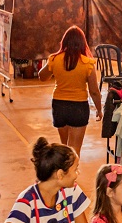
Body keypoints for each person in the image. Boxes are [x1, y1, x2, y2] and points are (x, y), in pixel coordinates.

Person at [38, 26, 101, 155]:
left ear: (64, 41)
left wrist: (54, 69)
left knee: (64, 147)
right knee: (75, 150)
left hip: (59, 105)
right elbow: (94, 91)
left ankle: (62, 173)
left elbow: (42, 76)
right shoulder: (87, 63)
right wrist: (99, 109)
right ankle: (72, 173)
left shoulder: (54, 59)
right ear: (82, 43)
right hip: (79, 107)